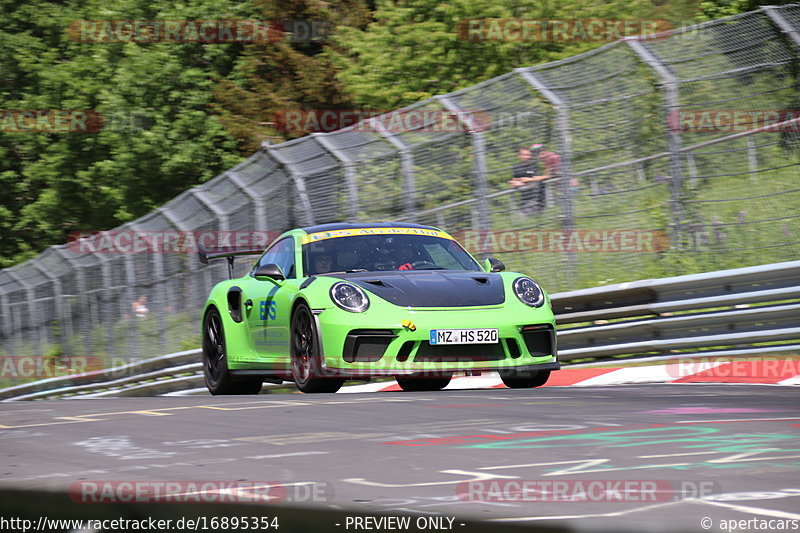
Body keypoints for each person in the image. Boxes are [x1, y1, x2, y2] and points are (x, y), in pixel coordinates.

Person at [508, 146, 544, 214]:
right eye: (523, 155)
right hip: (524, 197)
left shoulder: (533, 165)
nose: (525, 157)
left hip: (536, 197)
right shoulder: (517, 166)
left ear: (530, 156)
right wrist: (515, 183)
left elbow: (538, 178)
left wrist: (526, 181)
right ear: (519, 156)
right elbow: (514, 179)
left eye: (527, 155)